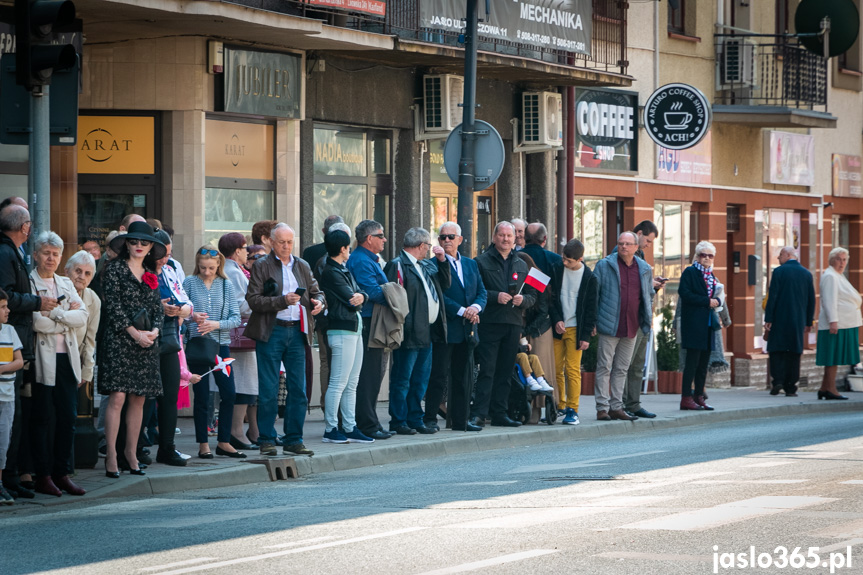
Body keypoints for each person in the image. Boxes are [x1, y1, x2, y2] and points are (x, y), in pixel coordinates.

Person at [246, 223, 324, 457]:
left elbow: (316, 291)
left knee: (298, 389)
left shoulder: (302, 265)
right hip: (272, 332)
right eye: (282, 242)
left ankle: (294, 439)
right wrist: (281, 301)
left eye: (290, 242)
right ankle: (267, 439)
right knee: (269, 389)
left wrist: (320, 302)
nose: (286, 246)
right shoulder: (262, 265)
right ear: (271, 241)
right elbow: (253, 300)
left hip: (298, 331)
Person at [99, 221, 165, 478]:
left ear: (150, 248)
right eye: (134, 241)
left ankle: (131, 453)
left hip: (146, 342)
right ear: (126, 243)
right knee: (117, 398)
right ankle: (112, 455)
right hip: (119, 340)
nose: (138, 246)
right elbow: (112, 307)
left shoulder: (151, 272)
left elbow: (158, 309)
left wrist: (155, 332)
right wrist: (134, 333)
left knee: (139, 399)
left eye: (144, 243)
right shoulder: (114, 269)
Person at [28, 232, 89, 496]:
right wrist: (65, 318)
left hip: (68, 359)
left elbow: (83, 316)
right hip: (44, 360)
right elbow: (35, 323)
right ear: (35, 255)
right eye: (46, 253)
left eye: (55, 254)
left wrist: (54, 312)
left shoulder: (64, 283)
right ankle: (43, 475)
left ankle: (61, 472)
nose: (51, 258)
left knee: (67, 418)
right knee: (42, 418)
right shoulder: (29, 282)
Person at [0, 205, 50, 500]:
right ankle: (8, 476)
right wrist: (36, 302)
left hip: (17, 340)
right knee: (9, 417)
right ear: (25, 228)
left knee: (15, 417)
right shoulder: (6, 254)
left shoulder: (11, 252)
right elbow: (5, 294)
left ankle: (12, 475)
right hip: (10, 341)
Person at [383, 227, 450, 435]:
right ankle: (398, 420)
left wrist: (442, 262)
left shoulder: (425, 265)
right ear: (421, 246)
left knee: (420, 379)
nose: (429, 249)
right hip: (408, 331)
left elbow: (444, 285)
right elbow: (393, 298)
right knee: (403, 378)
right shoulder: (398, 265)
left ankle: (415, 418)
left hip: (427, 331)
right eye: (428, 246)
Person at [471, 221, 536, 428]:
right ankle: (479, 413)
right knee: (487, 370)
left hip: (513, 323)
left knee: (506, 371)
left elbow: (532, 295)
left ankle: (500, 413)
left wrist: (523, 300)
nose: (506, 239)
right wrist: (494, 296)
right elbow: (473, 292)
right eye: (501, 235)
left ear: (515, 239)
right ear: (494, 237)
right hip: (490, 322)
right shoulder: (480, 262)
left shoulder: (522, 263)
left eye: (509, 236)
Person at [183, 246, 244, 459]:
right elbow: (182, 315)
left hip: (221, 346)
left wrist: (215, 324)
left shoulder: (226, 285)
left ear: (218, 264)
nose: (206, 272)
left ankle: (224, 441)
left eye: (210, 268)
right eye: (202, 268)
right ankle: (203, 444)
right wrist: (192, 317)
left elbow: (235, 319)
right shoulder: (189, 282)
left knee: (229, 393)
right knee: (201, 396)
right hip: (198, 345)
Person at [426, 222, 486, 432]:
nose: (447, 241)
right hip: (445, 328)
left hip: (467, 330)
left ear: (460, 240)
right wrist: (463, 311)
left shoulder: (470, 264)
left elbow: (482, 291)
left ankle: (461, 420)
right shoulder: (434, 265)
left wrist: (476, 308)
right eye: (443, 237)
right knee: (439, 375)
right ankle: (430, 418)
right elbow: (439, 296)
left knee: (463, 376)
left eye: (451, 237)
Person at [318, 229, 374, 443]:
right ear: (343, 249)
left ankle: (349, 426)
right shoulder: (331, 271)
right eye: (348, 247)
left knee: (352, 382)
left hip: (353, 329)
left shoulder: (343, 269)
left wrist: (362, 296)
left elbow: (362, 294)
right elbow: (352, 298)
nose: (349, 250)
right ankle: (331, 428)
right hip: (341, 330)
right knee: (338, 382)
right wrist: (360, 296)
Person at [592, 232, 653, 421]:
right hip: (609, 324)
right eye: (620, 243)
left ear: (636, 247)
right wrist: (593, 321)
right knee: (604, 366)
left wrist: (647, 318)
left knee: (622, 369)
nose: (623, 247)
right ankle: (602, 407)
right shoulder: (604, 265)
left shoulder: (644, 268)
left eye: (627, 244)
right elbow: (594, 294)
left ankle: (616, 407)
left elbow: (648, 295)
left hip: (632, 325)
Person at [346, 220, 393, 440]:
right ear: (369, 239)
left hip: (374, 322)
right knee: (368, 375)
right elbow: (372, 291)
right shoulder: (362, 261)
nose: (384, 239)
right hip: (368, 323)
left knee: (374, 374)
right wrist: (396, 294)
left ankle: (370, 420)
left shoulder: (368, 259)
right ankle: (367, 423)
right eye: (381, 235)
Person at [152, 231, 193, 466]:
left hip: (169, 339)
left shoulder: (169, 271)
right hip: (147, 340)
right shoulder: (144, 273)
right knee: (145, 397)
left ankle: (167, 447)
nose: (165, 259)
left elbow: (187, 302)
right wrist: (160, 308)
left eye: (168, 254)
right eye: (161, 254)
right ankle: (137, 446)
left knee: (170, 394)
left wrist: (181, 311)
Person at [219, 232, 260, 449]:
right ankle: (236, 431)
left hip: (234, 335)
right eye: (245, 248)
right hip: (239, 336)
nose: (247, 252)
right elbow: (240, 305)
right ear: (237, 251)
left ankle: (238, 431)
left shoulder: (233, 270)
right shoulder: (233, 272)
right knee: (243, 384)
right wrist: (259, 304)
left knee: (243, 384)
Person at [550, 238, 597, 426]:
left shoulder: (589, 277)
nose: (565, 262)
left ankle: (572, 409)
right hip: (559, 326)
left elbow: (592, 309)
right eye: (563, 258)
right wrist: (557, 320)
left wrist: (585, 336)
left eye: (569, 260)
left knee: (572, 370)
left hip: (577, 329)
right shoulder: (557, 269)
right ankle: (559, 405)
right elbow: (551, 299)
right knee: (555, 369)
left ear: (580, 259)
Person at [620, 220, 661, 419]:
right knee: (624, 364)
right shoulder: (618, 256)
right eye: (648, 240)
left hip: (641, 317)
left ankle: (634, 404)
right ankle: (620, 404)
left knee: (637, 364)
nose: (648, 245)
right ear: (638, 234)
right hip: (626, 318)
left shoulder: (642, 258)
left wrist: (652, 285)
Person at [764, 246, 815, 397]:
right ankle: (791, 387)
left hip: (779, 318)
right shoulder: (806, 274)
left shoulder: (779, 272)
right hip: (797, 320)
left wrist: (768, 319)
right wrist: (809, 321)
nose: (778, 258)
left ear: (787, 255)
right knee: (794, 351)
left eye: (780, 255)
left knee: (776, 350)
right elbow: (811, 300)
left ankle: (778, 380)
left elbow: (772, 296)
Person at [677, 242, 722, 411]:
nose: (707, 258)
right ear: (697, 256)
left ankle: (699, 396)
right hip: (694, 324)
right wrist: (706, 301)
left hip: (709, 324)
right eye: (704, 255)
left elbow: (715, 295)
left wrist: (718, 301)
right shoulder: (690, 272)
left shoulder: (711, 276)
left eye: (710, 256)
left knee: (703, 364)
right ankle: (686, 397)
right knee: (692, 363)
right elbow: (685, 294)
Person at [521, 222, 560, 395]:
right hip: (542, 326)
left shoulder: (515, 258)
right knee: (542, 368)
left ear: (524, 238)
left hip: (519, 324)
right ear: (544, 239)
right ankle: (548, 404)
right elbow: (549, 301)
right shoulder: (553, 260)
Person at [816, 247, 860, 400]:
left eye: (844, 259)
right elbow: (829, 300)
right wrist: (833, 321)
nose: (842, 263)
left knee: (834, 357)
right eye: (838, 259)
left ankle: (824, 388)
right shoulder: (830, 276)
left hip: (845, 323)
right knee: (832, 357)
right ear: (831, 260)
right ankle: (831, 389)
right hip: (836, 324)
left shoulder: (838, 276)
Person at [64, 251, 101, 432]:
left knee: (70, 415)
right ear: (66, 271)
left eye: (87, 273)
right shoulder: (57, 290)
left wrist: (86, 372)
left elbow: (90, 339)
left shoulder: (93, 299)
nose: (81, 277)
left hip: (75, 362)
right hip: (54, 357)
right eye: (78, 271)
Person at [0, 289, 23, 504]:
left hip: (6, 396)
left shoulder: (9, 331)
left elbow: (19, 361)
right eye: (3, 307)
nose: (8, 310)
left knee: (3, 441)